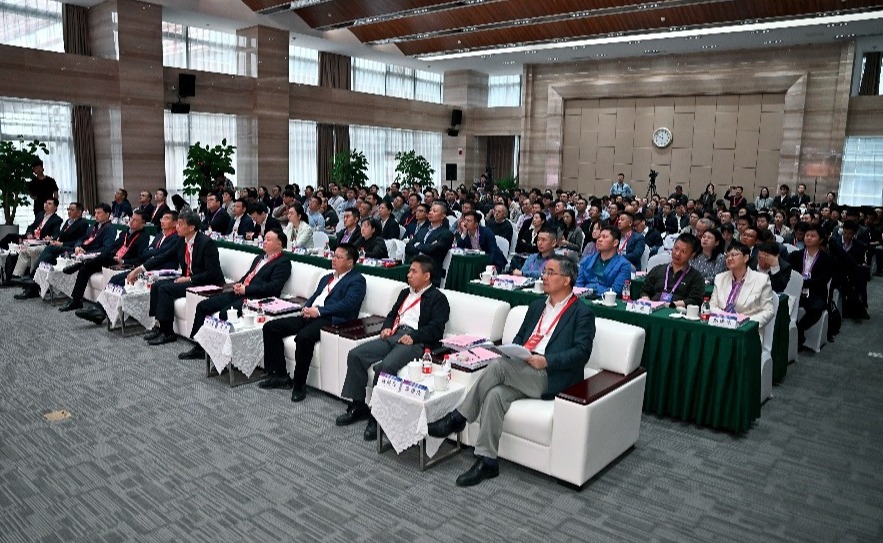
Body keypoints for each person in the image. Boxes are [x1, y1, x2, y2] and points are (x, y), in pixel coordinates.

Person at [428, 255, 595, 486]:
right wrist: (514, 351)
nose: (544, 277)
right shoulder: (537, 306)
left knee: (498, 366)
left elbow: (582, 352)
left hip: (551, 375)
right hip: (523, 367)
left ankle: (459, 417)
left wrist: (547, 361)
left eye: (550, 272)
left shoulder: (581, 313)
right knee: (495, 395)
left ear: (566, 280)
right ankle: (487, 461)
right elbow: (521, 337)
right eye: (544, 272)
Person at [336, 255, 451, 440]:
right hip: (394, 335)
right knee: (356, 354)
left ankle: (376, 418)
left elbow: (436, 329)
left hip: (416, 341)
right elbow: (391, 315)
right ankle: (358, 406)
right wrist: (387, 327)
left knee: (385, 367)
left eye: (413, 271)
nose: (409, 274)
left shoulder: (438, 299)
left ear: (427, 276)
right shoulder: (405, 293)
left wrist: (414, 336)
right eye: (409, 270)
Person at [259, 244, 367, 401]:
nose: (334, 259)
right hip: (311, 315)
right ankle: (280, 375)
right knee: (271, 327)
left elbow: (348, 305)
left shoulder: (357, 280)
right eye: (334, 255)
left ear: (350, 262)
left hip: (331, 320)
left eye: (339, 257)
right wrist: (307, 307)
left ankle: (299, 384)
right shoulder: (327, 277)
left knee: (304, 337)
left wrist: (320, 311)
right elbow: (315, 296)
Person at [179, 229, 292, 360]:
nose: (264, 242)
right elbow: (249, 275)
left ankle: (222, 354)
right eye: (264, 238)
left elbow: (272, 288)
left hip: (256, 299)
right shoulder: (260, 258)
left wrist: (246, 290)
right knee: (203, 306)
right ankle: (199, 346)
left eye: (268, 240)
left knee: (225, 313)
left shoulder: (283, 263)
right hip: (240, 292)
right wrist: (239, 284)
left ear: (279, 244)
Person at [75, 210, 182, 325]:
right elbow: (146, 253)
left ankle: (100, 312)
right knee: (115, 279)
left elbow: (161, 254)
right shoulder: (160, 235)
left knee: (123, 281)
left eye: (166, 218)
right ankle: (99, 309)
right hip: (148, 267)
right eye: (162, 218)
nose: (162, 221)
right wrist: (153, 252)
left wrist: (153, 251)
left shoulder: (176, 238)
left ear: (175, 223)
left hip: (162, 271)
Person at [144, 211, 224, 346]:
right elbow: (164, 256)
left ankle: (168, 333)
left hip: (205, 282)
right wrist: (141, 268)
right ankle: (159, 326)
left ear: (191, 227)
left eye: (180, 224)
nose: (177, 227)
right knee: (157, 285)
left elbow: (212, 273)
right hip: (188, 277)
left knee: (166, 289)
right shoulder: (181, 240)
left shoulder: (206, 243)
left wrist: (189, 279)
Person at [59, 209, 151, 312]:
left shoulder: (143, 237)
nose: (131, 221)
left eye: (135, 220)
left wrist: (123, 261)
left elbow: (140, 258)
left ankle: (82, 263)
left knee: (103, 258)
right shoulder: (125, 232)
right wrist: (105, 253)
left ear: (143, 224)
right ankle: (76, 301)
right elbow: (113, 246)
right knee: (85, 269)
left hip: (123, 263)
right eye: (131, 219)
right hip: (111, 258)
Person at [709, 242, 775, 331]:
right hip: (721, 326)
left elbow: (768, 311)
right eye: (727, 256)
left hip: (746, 330)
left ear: (745, 258)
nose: (729, 258)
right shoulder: (720, 278)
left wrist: (745, 322)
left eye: (734, 255)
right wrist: (726, 317)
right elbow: (712, 305)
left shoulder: (762, 280)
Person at [786, 225, 833, 347]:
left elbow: (823, 280)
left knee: (815, 309)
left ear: (820, 240)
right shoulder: (795, 255)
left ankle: (799, 331)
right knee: (785, 305)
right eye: (807, 235)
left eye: (813, 236)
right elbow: (789, 273)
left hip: (815, 292)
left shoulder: (826, 259)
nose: (808, 238)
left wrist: (803, 282)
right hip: (796, 291)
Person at [639, 233, 706, 307]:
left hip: (677, 310)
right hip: (654, 308)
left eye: (683, 251)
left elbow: (695, 300)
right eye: (676, 248)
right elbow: (645, 290)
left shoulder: (696, 277)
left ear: (692, 255)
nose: (677, 254)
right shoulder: (657, 270)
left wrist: (672, 305)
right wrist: (646, 299)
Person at [404, 203, 455, 287]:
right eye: (430, 210)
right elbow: (408, 248)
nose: (431, 213)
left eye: (435, 211)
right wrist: (425, 247)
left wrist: (418, 245)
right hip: (414, 269)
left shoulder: (446, 234)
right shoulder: (422, 230)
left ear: (443, 216)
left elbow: (434, 249)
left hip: (431, 273)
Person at [576, 226, 632, 296]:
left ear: (615, 243)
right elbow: (578, 285)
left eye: (604, 237)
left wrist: (591, 291)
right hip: (583, 298)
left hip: (607, 300)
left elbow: (616, 290)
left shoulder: (624, 265)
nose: (599, 240)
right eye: (599, 237)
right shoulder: (586, 260)